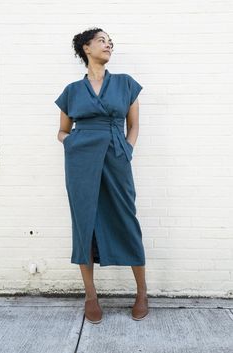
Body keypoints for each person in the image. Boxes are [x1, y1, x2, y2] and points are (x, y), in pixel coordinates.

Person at [54, 27, 148, 323]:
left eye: (110, 42)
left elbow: (133, 126)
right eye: (101, 41)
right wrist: (70, 142)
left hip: (116, 156)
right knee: (84, 222)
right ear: (86, 47)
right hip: (81, 160)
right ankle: (91, 295)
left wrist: (127, 151)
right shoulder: (72, 90)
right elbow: (62, 130)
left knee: (125, 217)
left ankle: (142, 292)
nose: (108, 45)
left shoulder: (125, 84)